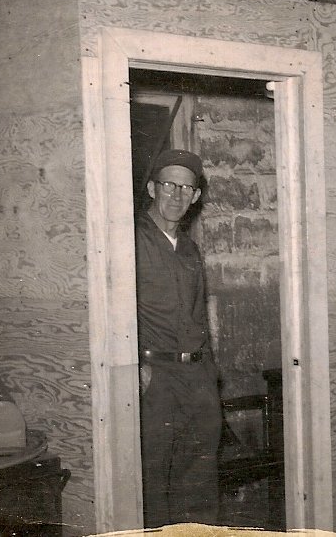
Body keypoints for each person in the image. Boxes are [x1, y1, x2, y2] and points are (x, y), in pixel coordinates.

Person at [135, 149, 222, 527]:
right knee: (154, 485)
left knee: (201, 481)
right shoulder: (131, 239)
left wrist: (210, 375)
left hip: (197, 378)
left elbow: (200, 314)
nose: (176, 195)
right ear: (153, 188)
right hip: (156, 376)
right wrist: (136, 364)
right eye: (169, 184)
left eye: (186, 188)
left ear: (196, 197)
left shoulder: (189, 249)